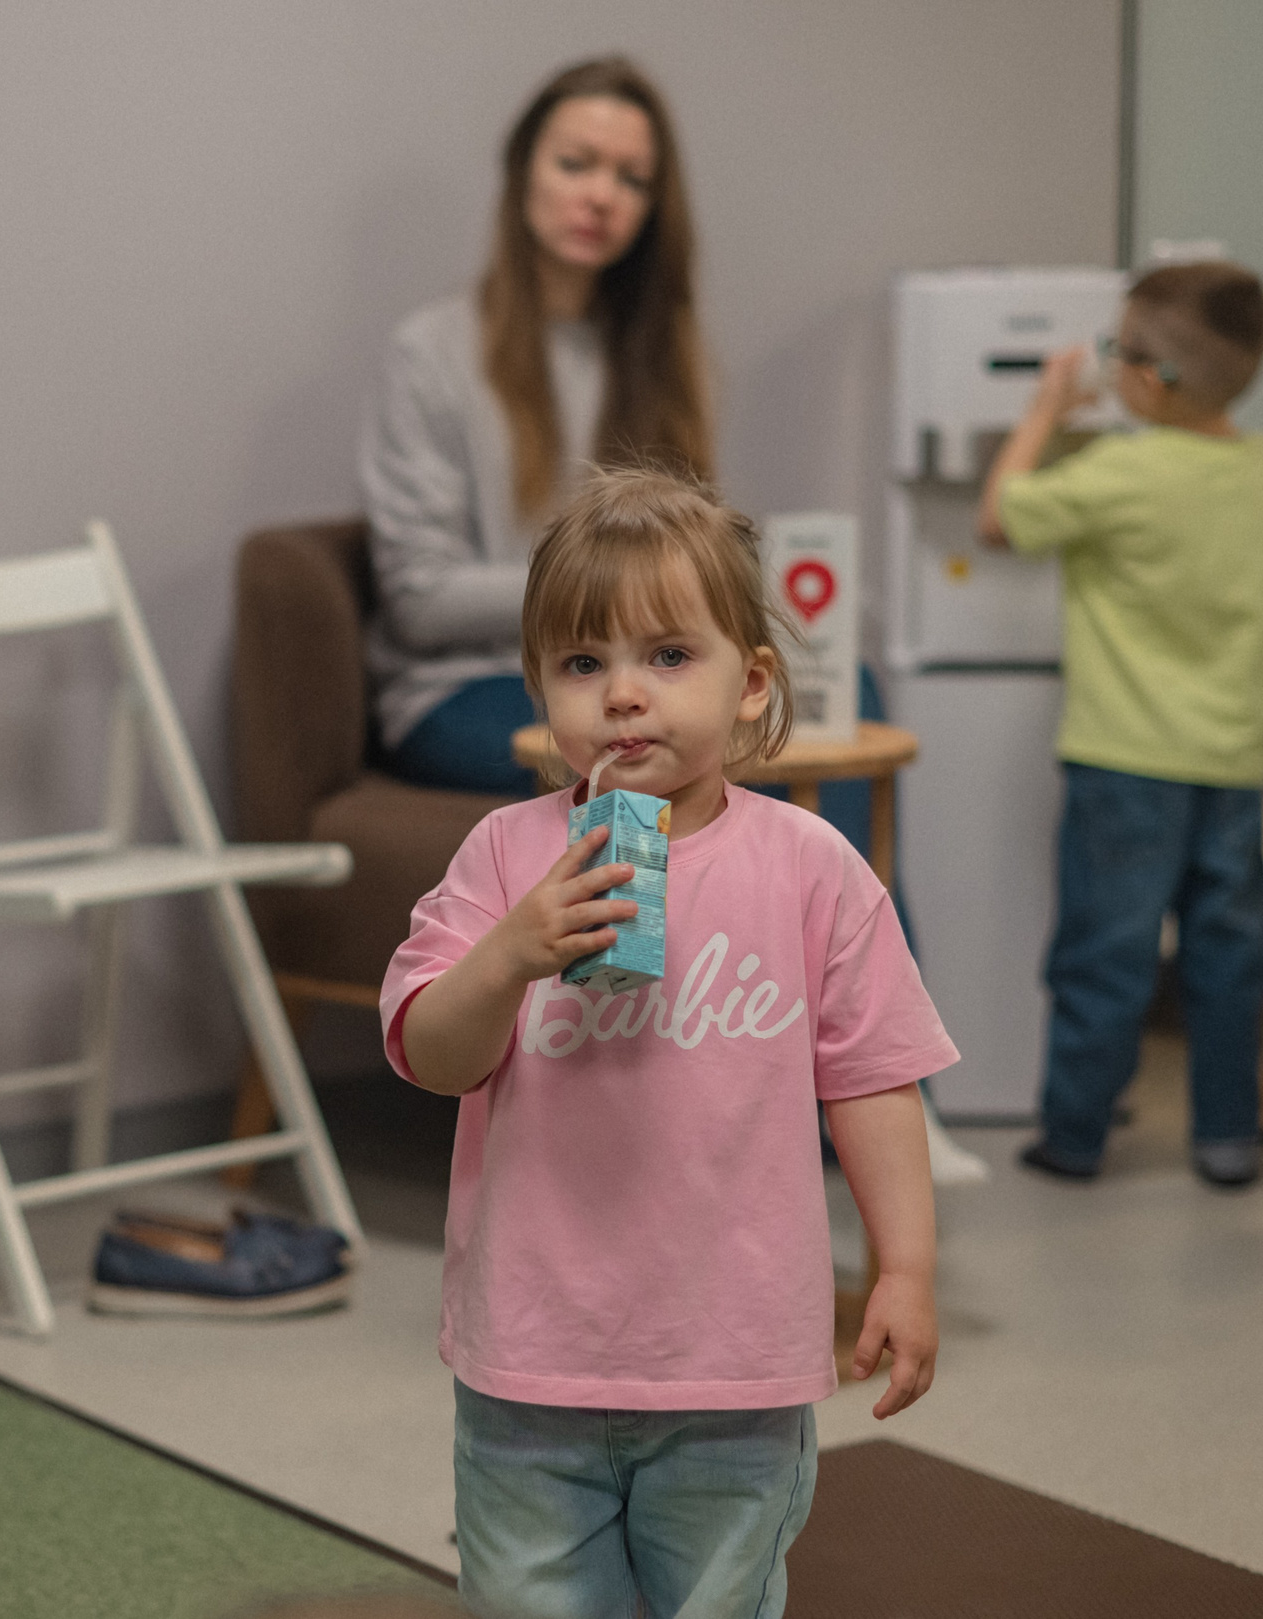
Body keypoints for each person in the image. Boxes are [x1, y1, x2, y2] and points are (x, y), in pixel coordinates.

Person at [382, 469, 953, 1619]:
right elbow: (429, 1052)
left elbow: (873, 1076)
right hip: (531, 1360)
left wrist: (904, 1264)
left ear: (750, 685)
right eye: (583, 663)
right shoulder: (504, 854)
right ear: (540, 689)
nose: (624, 694)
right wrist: (508, 952)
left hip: (735, 1363)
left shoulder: (809, 865)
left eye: (668, 656)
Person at [978, 261, 1263, 1190]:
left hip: (1123, 761)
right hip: (1230, 763)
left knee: (1106, 954)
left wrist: (1046, 410)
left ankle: (1075, 1137)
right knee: (1229, 959)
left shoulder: (1120, 470)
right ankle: (1227, 1139)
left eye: (1116, 351)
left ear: (1151, 376)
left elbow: (997, 518)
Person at [362, 56, 711, 796]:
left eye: (631, 179)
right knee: (691, 772)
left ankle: (860, 923)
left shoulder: (658, 356)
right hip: (467, 687)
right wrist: (612, 589)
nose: (601, 196)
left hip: (630, 673)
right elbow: (421, 600)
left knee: (846, 706)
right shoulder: (431, 351)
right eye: (576, 163)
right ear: (524, 172)